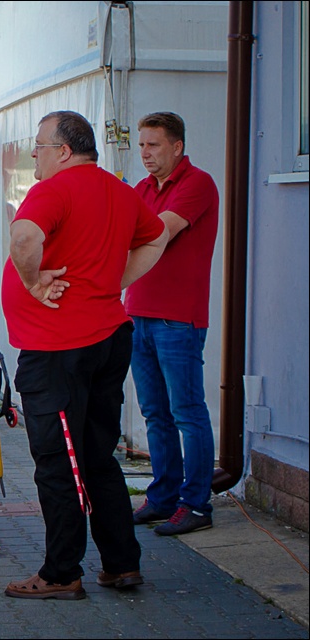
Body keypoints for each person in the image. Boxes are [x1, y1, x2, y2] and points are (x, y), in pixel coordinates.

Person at [1, 111, 168, 600]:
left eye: (39, 146)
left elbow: (24, 237)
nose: (33, 154)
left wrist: (33, 282)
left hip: (59, 348)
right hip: (106, 338)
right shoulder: (120, 190)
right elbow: (157, 235)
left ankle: (61, 573)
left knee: (58, 461)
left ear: (63, 151)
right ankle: (121, 564)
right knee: (97, 455)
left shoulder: (53, 189)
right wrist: (115, 281)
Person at [125, 112, 219, 536]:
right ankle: (163, 496)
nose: (145, 153)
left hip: (178, 318)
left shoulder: (197, 183)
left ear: (177, 147)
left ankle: (196, 504)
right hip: (138, 313)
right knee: (155, 414)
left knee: (187, 413)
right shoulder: (143, 188)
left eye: (154, 145)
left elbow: (159, 231)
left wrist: (125, 233)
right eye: (142, 145)